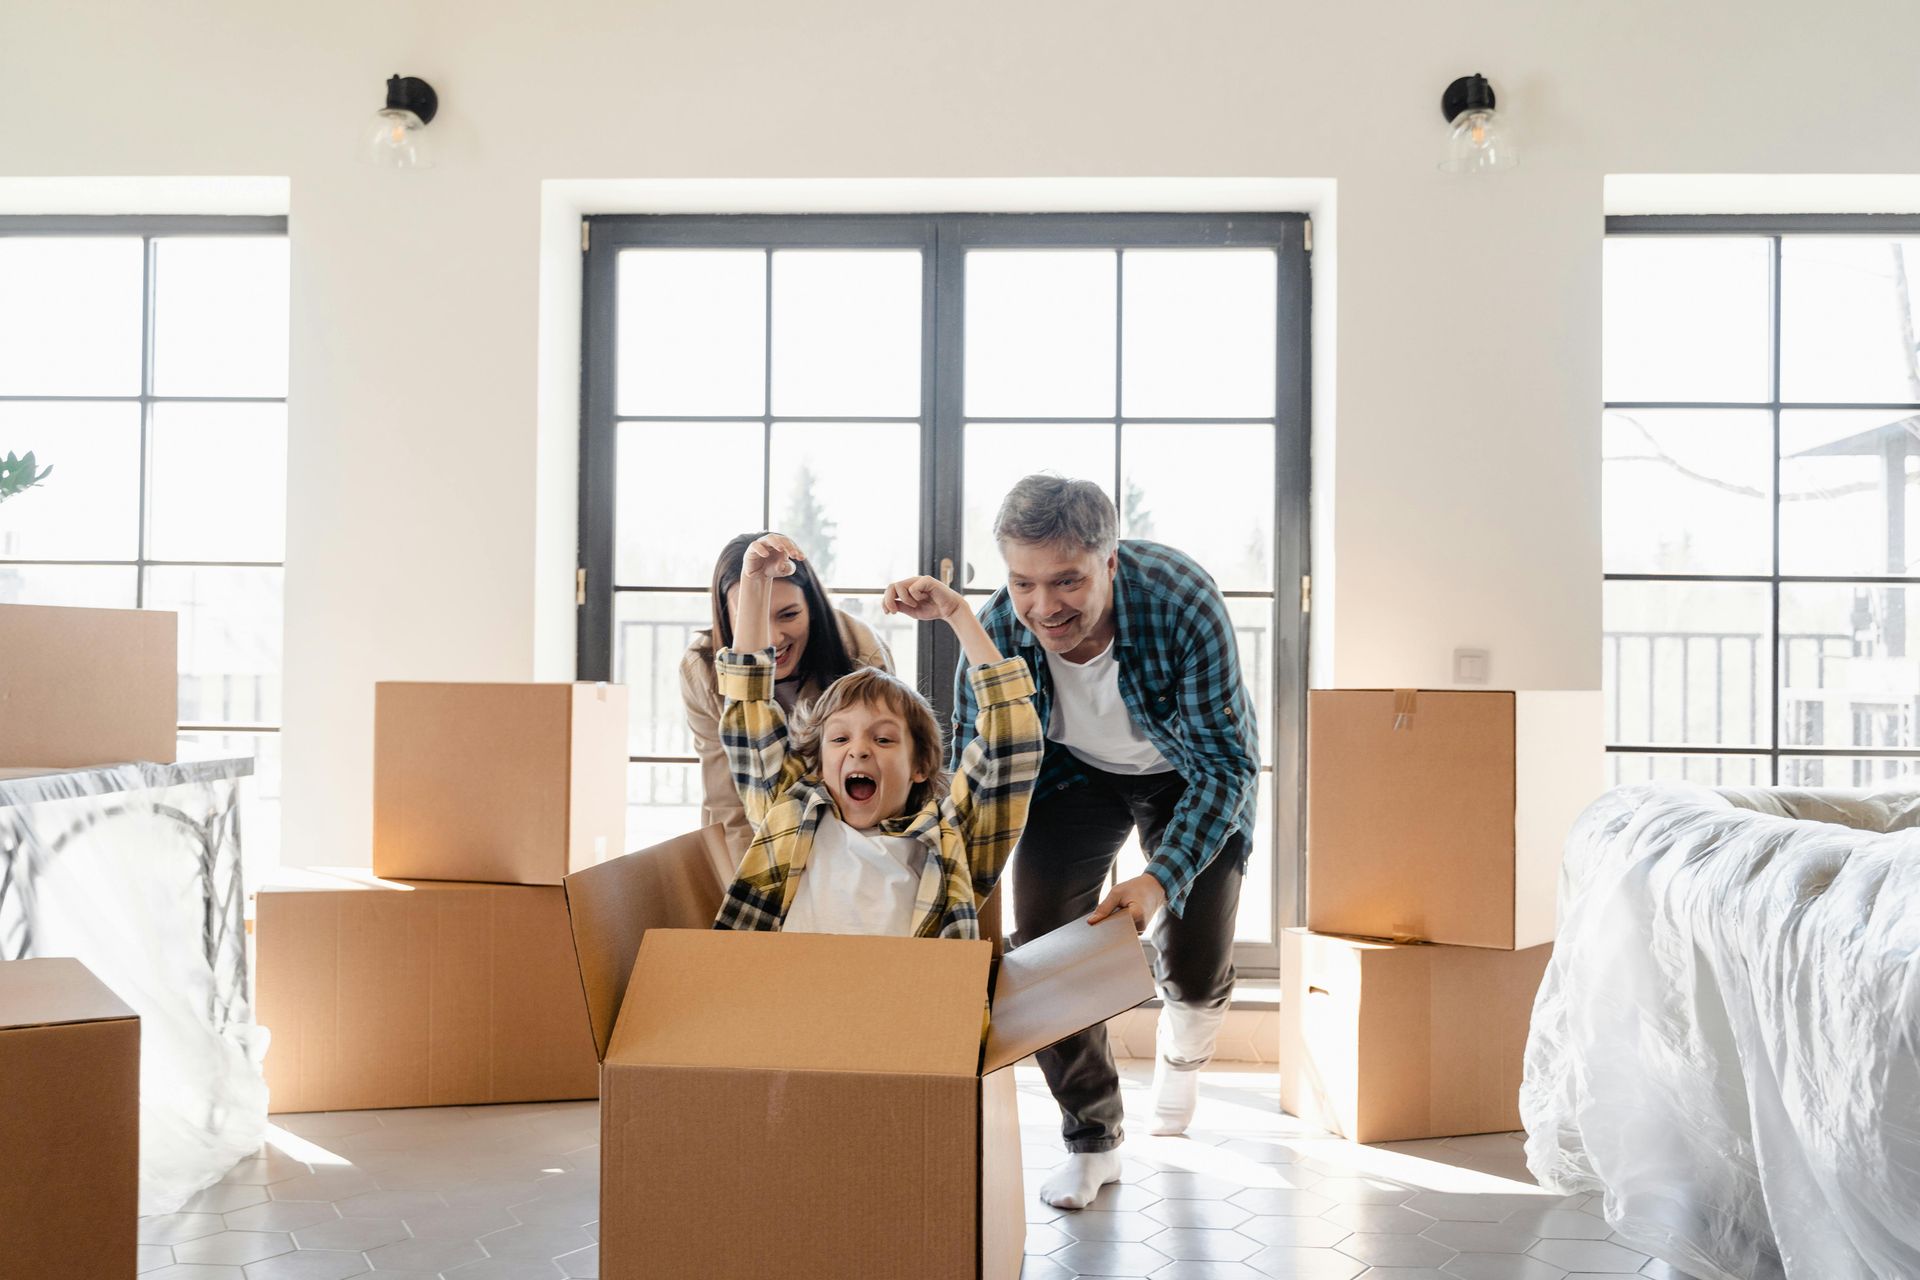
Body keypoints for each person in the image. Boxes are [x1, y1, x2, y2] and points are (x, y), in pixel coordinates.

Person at [951, 475, 1259, 1209]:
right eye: (1023, 582)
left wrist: (1159, 879)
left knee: (1193, 963)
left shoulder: (1182, 601)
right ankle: (1093, 1141)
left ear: (1110, 563)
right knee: (1046, 946)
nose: (1044, 606)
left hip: (1186, 770)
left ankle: (1183, 1052)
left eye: (1067, 580)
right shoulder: (997, 631)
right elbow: (976, 765)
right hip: (1070, 777)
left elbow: (1228, 765)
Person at [712, 533, 1042, 938]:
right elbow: (748, 713)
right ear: (817, 763)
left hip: (903, 1000)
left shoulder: (948, 839)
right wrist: (755, 582)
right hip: (794, 997)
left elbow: (1011, 746)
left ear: (920, 766)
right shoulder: (789, 814)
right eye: (839, 740)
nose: (859, 751)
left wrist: (958, 614)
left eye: (883, 740)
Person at [681, 531, 893, 867]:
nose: (772, 638)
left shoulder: (859, 649)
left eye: (789, 615)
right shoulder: (701, 668)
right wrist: (751, 897)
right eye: (750, 615)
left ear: (813, 608)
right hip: (758, 834)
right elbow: (727, 803)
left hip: (851, 838)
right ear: (725, 614)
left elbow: (886, 781)